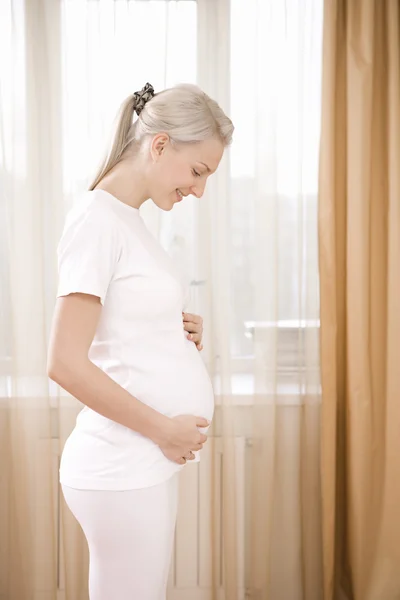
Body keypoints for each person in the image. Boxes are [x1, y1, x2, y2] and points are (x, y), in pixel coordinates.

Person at [47, 82, 234, 600]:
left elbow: (117, 330)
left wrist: (172, 331)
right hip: (123, 462)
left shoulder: (125, 220)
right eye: (197, 172)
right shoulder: (96, 220)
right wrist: (163, 430)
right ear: (158, 145)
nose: (198, 190)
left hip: (143, 461)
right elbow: (64, 363)